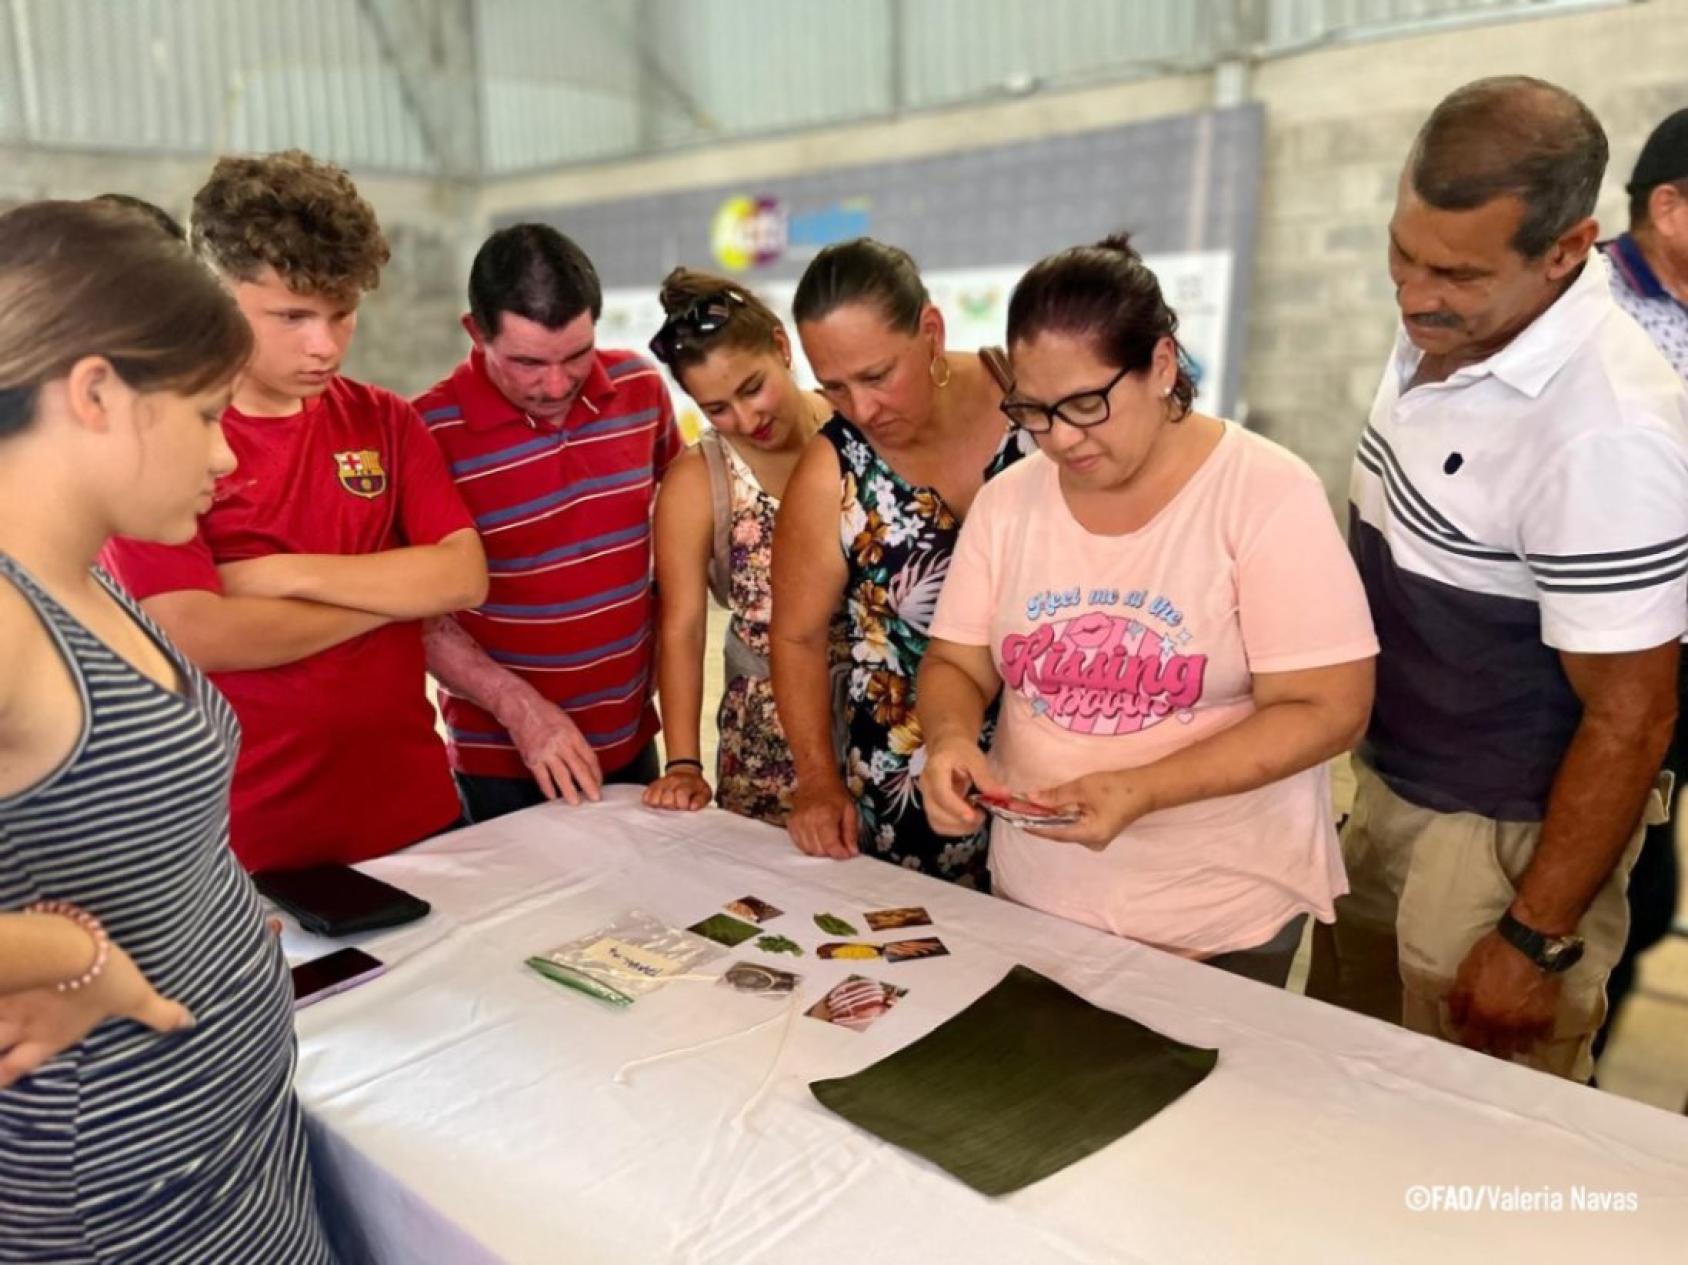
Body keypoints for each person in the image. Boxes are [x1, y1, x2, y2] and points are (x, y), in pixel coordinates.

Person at [1305, 78, 1688, 1083]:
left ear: (1566, 249)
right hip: (1389, 786)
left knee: (1465, 1134)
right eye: (1402, 252)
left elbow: (1633, 716)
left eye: (1455, 273)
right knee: (1337, 1096)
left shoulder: (1606, 431)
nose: (1413, 294)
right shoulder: (1454, 325)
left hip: (1497, 845)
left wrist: (1532, 934)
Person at [0, 200, 331, 1261]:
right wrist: (75, 957)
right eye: (204, 414)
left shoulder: (84, 577)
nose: (226, 456)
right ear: (96, 393)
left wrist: (207, 915)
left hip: (222, 1147)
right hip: (130, 1194)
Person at [914, 235, 1377, 985]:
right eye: (1034, 411)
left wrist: (1142, 789)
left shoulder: (1264, 493)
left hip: (1217, 916)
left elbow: (1330, 708)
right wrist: (950, 739)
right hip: (1036, 896)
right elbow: (957, 663)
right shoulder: (1008, 503)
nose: (1061, 438)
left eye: (1086, 405)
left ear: (1162, 365)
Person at [101, 150, 486, 874]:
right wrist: (391, 597)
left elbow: (463, 577)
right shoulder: (164, 439)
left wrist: (281, 574)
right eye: (292, 317)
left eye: (343, 315)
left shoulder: (385, 419)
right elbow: (198, 631)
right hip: (246, 846)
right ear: (214, 296)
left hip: (418, 817)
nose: (325, 345)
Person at [771, 238, 1035, 887]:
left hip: (1051, 773)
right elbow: (797, 636)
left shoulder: (1036, 410)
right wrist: (817, 780)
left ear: (931, 332)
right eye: (833, 387)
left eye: (877, 375)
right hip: (906, 791)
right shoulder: (834, 468)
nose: (861, 409)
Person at [414, 225, 682, 823]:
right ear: (476, 332)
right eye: (528, 362)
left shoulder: (640, 389)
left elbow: (684, 541)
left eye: (577, 355)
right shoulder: (426, 433)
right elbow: (419, 618)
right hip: (503, 762)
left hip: (633, 742)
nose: (557, 385)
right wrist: (520, 711)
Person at [640, 268, 836, 825]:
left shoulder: (857, 424)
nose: (747, 420)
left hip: (890, 717)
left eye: (753, 388)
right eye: (718, 408)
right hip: (770, 744)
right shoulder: (697, 480)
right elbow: (681, 627)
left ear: (781, 345)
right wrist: (683, 764)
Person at [1593, 107, 1688, 1057]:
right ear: (1669, 207)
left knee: (1652, 893)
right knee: (1616, 877)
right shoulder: (1587, 307)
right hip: (1611, 642)